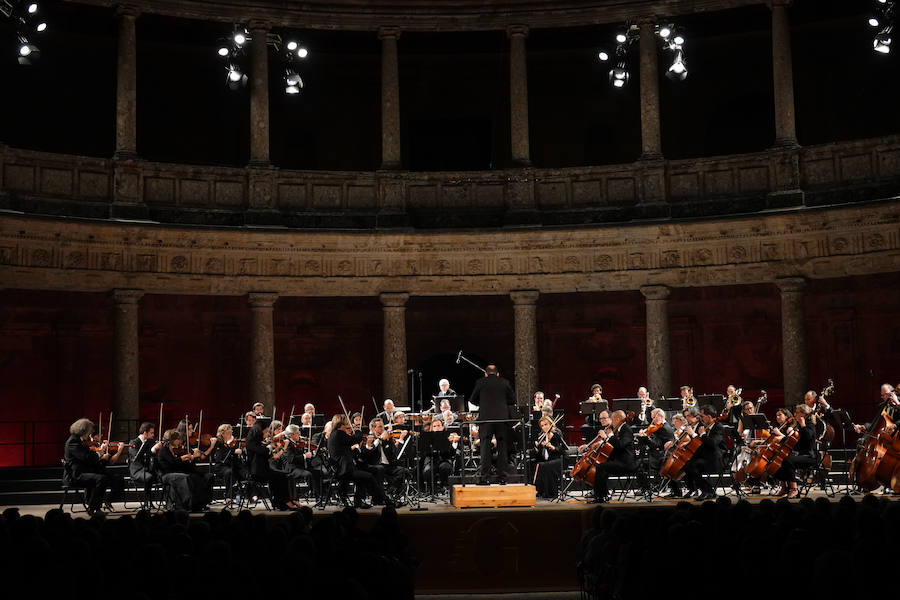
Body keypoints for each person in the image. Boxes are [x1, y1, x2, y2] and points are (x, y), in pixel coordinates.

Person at [468, 363, 516, 484]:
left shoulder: (480, 382)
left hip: (486, 420)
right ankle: (503, 478)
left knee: (485, 448)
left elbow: (472, 399)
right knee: (502, 448)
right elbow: (512, 400)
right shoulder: (504, 382)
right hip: (502, 420)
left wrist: (484, 402)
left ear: (485, 374)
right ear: (498, 374)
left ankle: (485, 478)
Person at [328, 414, 389, 508]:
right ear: (341, 424)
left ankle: (359, 501)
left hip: (344, 466)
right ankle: (384, 499)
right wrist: (357, 430)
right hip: (344, 469)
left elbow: (348, 448)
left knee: (365, 474)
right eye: (346, 423)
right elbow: (355, 439)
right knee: (369, 476)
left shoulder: (334, 434)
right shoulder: (339, 434)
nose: (348, 425)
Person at [578, 410, 634, 503]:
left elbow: (620, 445)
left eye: (612, 419)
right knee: (601, 466)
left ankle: (600, 497)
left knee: (600, 467)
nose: (611, 422)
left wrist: (608, 436)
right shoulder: (618, 429)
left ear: (617, 419)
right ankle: (603, 495)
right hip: (618, 460)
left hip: (625, 463)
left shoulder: (626, 429)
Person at [64, 418, 113, 514]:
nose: (90, 432)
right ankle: (93, 508)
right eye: (89, 430)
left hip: (82, 472)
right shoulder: (73, 442)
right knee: (101, 479)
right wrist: (100, 453)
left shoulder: (81, 440)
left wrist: (98, 453)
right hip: (75, 476)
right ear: (83, 430)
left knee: (104, 477)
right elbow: (86, 457)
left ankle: (95, 507)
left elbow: (88, 456)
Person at [156, 429, 213, 511]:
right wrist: (182, 458)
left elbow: (182, 465)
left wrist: (191, 458)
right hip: (167, 474)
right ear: (172, 440)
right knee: (186, 477)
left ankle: (200, 503)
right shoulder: (164, 450)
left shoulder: (176, 450)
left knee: (201, 476)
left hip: (177, 473)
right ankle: (187, 504)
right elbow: (172, 463)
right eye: (177, 439)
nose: (179, 441)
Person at [244, 424, 297, 510]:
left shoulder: (259, 442)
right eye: (265, 432)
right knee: (281, 476)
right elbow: (261, 451)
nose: (267, 434)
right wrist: (270, 446)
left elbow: (267, 455)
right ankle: (283, 502)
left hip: (263, 469)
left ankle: (280, 502)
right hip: (256, 472)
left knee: (282, 476)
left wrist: (276, 449)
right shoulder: (251, 442)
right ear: (259, 432)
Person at [771, 404, 817, 499]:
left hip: (810, 456)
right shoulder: (799, 425)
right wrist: (784, 439)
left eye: (798, 412)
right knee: (779, 461)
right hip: (800, 454)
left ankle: (794, 489)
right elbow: (795, 442)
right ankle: (784, 487)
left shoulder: (809, 425)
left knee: (788, 461)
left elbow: (808, 438)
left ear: (803, 414)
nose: (795, 414)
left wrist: (803, 425)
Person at [682, 405, 725, 501]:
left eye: (702, 416)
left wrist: (702, 434)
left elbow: (713, 443)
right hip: (707, 457)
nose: (700, 418)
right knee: (687, 465)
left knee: (693, 466)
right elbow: (702, 444)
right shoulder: (706, 426)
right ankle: (708, 490)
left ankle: (707, 491)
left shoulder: (718, 427)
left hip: (717, 459)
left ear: (709, 416)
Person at [362, 417, 410, 498]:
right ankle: (380, 497)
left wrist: (391, 440)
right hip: (376, 466)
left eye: (383, 426)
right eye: (380, 427)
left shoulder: (388, 438)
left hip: (388, 466)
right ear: (373, 428)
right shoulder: (369, 438)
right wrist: (380, 439)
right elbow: (367, 453)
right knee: (380, 469)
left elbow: (394, 453)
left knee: (405, 472)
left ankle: (391, 491)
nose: (383, 429)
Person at [531, 416, 567, 499]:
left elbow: (562, 450)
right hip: (548, 460)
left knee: (544, 466)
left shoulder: (557, 433)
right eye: (542, 426)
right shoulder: (541, 435)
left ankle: (550, 492)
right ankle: (541, 490)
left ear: (551, 424)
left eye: (546, 424)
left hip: (559, 459)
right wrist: (537, 447)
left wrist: (552, 447)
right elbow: (540, 455)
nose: (544, 427)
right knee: (535, 463)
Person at [212, 423, 247, 503]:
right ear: (222, 434)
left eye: (231, 432)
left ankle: (246, 495)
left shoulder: (231, 443)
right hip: (221, 466)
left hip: (230, 465)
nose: (231, 435)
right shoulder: (218, 442)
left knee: (242, 471)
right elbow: (221, 456)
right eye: (228, 433)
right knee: (230, 472)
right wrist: (233, 451)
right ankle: (229, 497)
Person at [128, 422, 158, 499]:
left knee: (163, 476)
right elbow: (137, 457)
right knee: (149, 477)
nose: (153, 435)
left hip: (148, 469)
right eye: (151, 433)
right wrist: (153, 449)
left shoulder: (150, 442)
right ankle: (147, 500)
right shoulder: (133, 443)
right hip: (137, 471)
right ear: (145, 433)